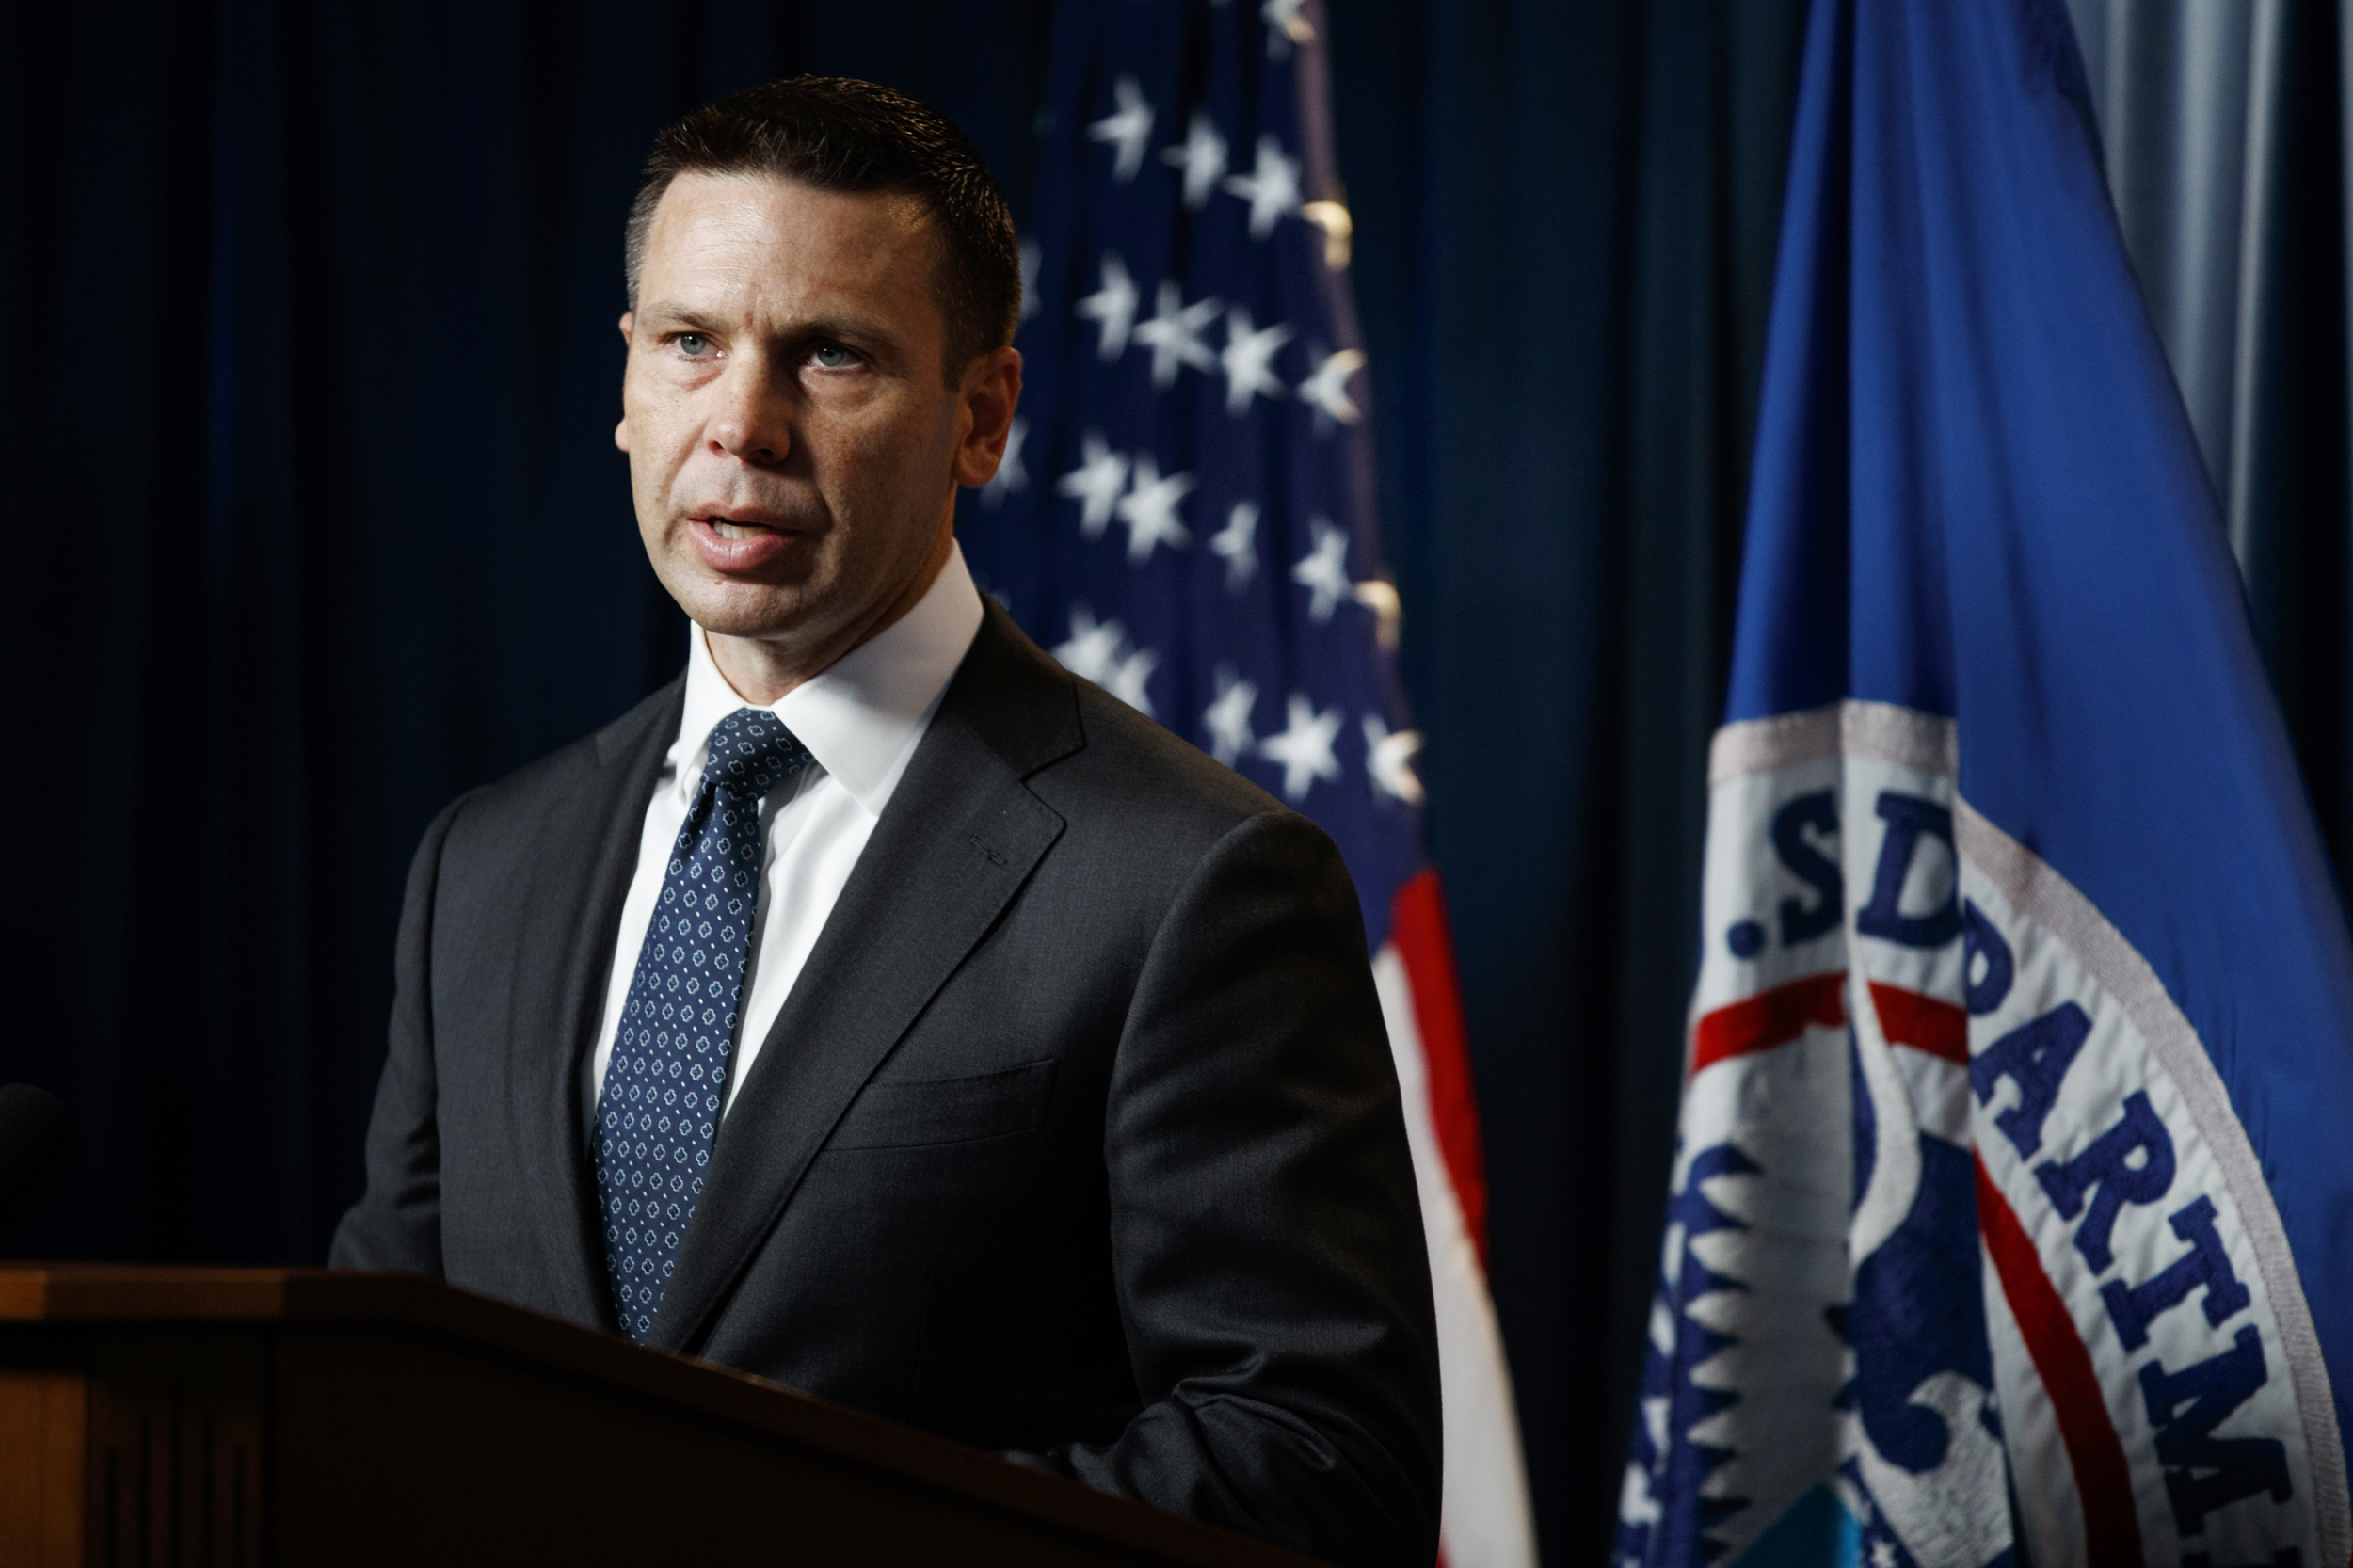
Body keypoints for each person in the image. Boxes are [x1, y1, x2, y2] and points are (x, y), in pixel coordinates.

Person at [330, 76, 1440, 1566]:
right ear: (626, 381)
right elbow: (371, 1396)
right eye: (691, 344)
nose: (742, 424)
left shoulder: (1194, 881)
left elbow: (1313, 1464)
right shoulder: (485, 864)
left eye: (831, 355)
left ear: (981, 414)